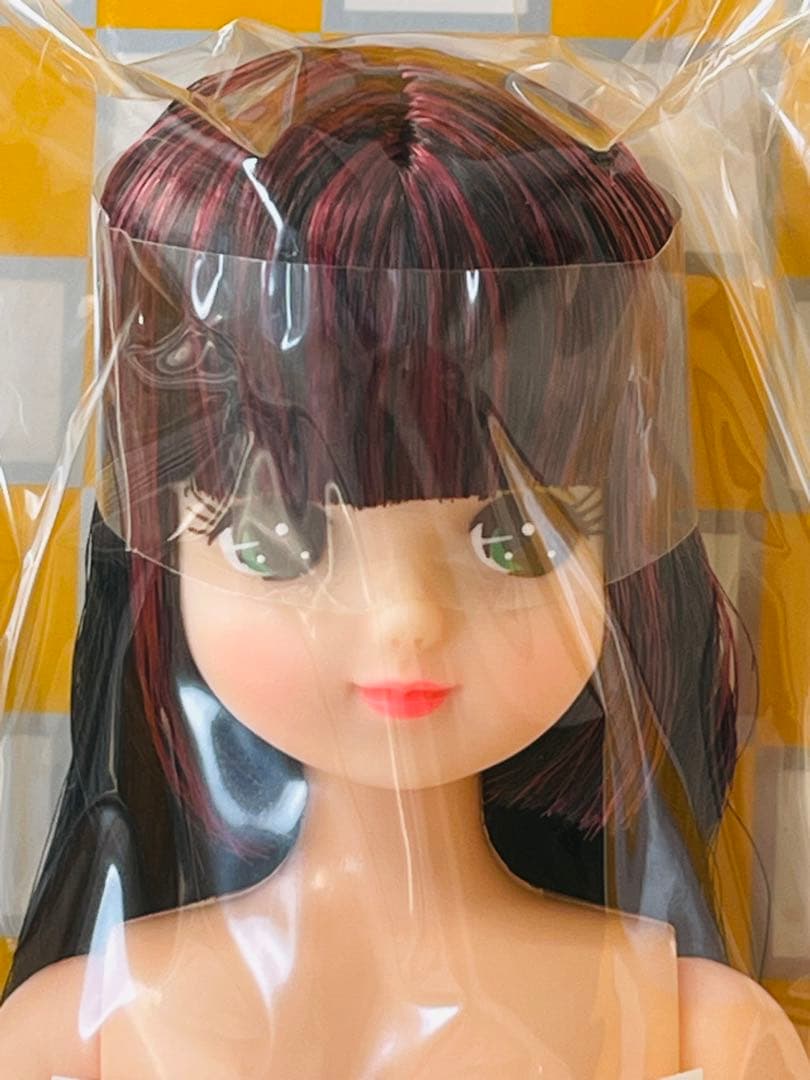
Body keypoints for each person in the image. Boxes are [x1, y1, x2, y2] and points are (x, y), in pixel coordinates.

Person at [0, 41, 807, 1078]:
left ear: (635, 559)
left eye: (514, 539)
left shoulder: (705, 1032)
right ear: (156, 564)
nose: (405, 620)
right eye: (280, 541)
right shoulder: (76, 1033)